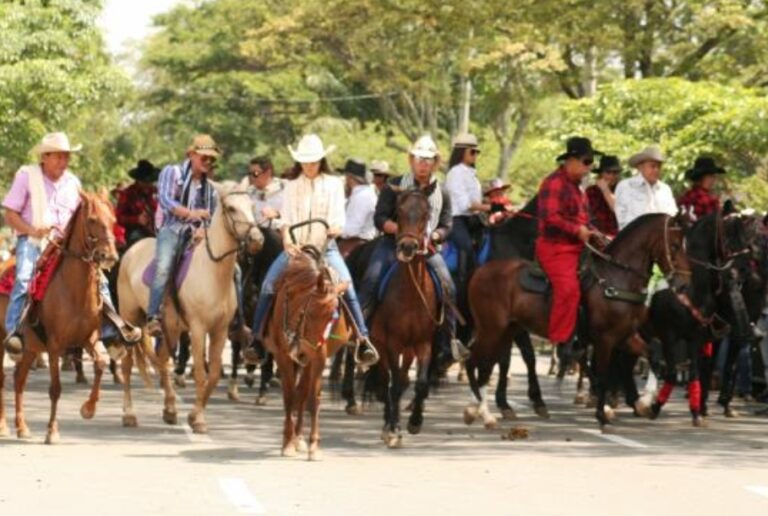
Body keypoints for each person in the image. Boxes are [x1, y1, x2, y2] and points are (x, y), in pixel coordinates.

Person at [243, 134, 378, 366]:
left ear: (321, 161)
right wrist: (286, 238)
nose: (309, 166)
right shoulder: (292, 186)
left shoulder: (334, 184)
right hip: (296, 249)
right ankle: (256, 339)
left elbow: (339, 217)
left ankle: (362, 338)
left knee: (349, 286)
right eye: (305, 162)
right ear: (299, 162)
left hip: (326, 248)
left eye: (313, 161)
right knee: (267, 285)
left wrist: (336, 227)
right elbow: (285, 218)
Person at [2, 132, 141, 356]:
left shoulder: (73, 182)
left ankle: (110, 332)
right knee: (24, 277)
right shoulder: (27, 176)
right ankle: (15, 333)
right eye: (58, 157)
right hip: (33, 240)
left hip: (66, 246)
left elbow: (82, 219)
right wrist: (30, 229)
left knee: (100, 280)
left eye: (66, 157)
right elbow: (10, 214)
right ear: (45, 157)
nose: (64, 162)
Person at [358, 134, 469, 359]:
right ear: (411, 160)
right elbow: (379, 218)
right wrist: (402, 232)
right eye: (419, 159)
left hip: (426, 249)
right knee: (371, 279)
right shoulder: (394, 186)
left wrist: (436, 235)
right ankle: (362, 337)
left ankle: (450, 341)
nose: (423, 164)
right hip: (392, 245)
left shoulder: (443, 192)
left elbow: (447, 224)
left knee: (449, 286)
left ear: (435, 163)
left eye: (428, 160)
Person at [145, 134, 220, 337]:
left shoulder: (210, 187)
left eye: (211, 159)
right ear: (191, 154)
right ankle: (153, 316)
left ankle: (235, 320)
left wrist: (204, 229)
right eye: (204, 157)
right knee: (163, 267)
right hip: (172, 228)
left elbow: (212, 215)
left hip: (198, 235)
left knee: (233, 269)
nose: (208, 162)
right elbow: (166, 200)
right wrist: (191, 214)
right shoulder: (173, 172)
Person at [536, 137, 602, 355]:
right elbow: (550, 216)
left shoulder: (578, 189)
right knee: (569, 289)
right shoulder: (553, 182)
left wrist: (596, 232)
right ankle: (561, 340)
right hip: (555, 247)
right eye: (586, 162)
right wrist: (578, 231)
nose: (589, 167)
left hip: (577, 247)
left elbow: (586, 218)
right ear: (571, 160)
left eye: (590, 163)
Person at [614, 146, 677, 230]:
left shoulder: (665, 189)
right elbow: (622, 219)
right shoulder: (626, 186)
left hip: (661, 238)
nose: (656, 170)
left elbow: (672, 215)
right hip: (634, 238)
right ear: (640, 167)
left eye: (659, 167)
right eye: (652, 166)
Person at [116, 159, 159, 248]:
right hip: (136, 231)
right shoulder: (127, 194)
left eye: (150, 181)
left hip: (158, 230)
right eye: (145, 182)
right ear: (138, 181)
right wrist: (137, 219)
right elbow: (119, 218)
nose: (148, 184)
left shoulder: (158, 193)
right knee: (136, 238)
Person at [340, 159, 378, 241]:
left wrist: (335, 229)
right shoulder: (362, 193)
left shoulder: (362, 196)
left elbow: (352, 230)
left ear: (349, 178)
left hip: (358, 241)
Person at [586, 155, 622, 237]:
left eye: (615, 173)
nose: (612, 176)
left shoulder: (622, 190)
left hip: (619, 237)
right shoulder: (591, 192)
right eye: (608, 172)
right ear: (601, 174)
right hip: (597, 237)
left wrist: (605, 190)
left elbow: (618, 210)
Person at [244, 156, 284, 227]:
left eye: (255, 174)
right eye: (249, 174)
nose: (251, 177)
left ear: (268, 173)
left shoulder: (285, 189)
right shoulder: (247, 194)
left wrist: (278, 214)